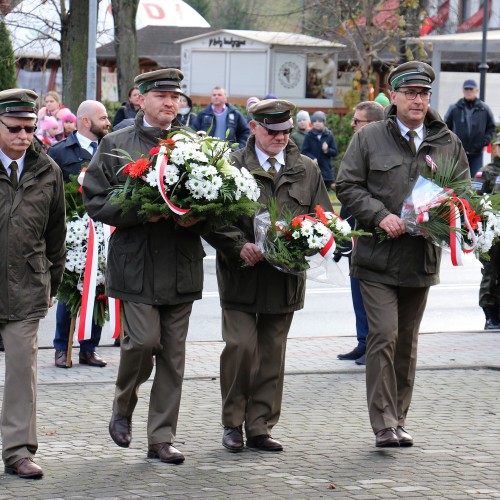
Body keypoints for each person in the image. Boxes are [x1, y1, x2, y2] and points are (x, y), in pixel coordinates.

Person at [336, 61, 469, 448]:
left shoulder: (447, 141)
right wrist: (381, 216)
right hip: (377, 257)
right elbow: (347, 185)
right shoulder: (370, 137)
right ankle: (383, 424)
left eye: (424, 93)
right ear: (393, 96)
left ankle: (399, 418)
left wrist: (444, 215)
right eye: (410, 93)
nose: (417, 100)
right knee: (383, 335)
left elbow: (461, 192)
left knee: (407, 342)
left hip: (420, 257)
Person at [82, 68, 205, 465]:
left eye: (175, 97)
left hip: (181, 263)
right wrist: (141, 211)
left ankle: (161, 438)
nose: (170, 103)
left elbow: (214, 198)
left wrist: (195, 215)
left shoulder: (193, 144)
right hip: (135, 263)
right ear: (140, 98)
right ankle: (123, 405)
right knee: (142, 344)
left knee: (173, 355)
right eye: (162, 96)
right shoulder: (117, 143)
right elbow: (95, 201)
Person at [204, 99, 333, 453]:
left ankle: (260, 425)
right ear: (254, 127)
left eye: (286, 131)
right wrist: (238, 245)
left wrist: (305, 241)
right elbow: (211, 216)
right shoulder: (230, 165)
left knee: (272, 353)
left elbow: (322, 216)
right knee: (241, 349)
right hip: (241, 274)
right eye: (272, 131)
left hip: (284, 278)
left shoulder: (306, 168)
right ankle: (233, 423)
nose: (280, 137)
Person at [0, 88, 66, 479]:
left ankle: (18, 451)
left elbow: (55, 234)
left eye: (30, 128)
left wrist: (51, 282)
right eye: (14, 128)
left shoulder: (47, 171)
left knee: (22, 371)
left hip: (26, 285)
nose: (24, 136)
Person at [49, 100, 111, 368]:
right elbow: (51, 194)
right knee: (70, 289)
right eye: (103, 118)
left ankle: (89, 347)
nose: (108, 122)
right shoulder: (60, 152)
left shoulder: (110, 151)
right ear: (86, 122)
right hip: (72, 235)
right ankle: (62, 347)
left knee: (99, 288)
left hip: (104, 232)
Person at [337, 101, 385, 366]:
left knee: (371, 294)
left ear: (372, 124)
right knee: (356, 289)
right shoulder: (358, 146)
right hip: (354, 231)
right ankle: (363, 341)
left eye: (358, 121)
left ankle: (373, 346)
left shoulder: (378, 151)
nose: (352, 124)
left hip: (370, 232)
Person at [473, 133, 500, 330]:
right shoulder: (487, 173)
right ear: (495, 149)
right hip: (492, 234)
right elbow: (474, 200)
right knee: (491, 274)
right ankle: (490, 316)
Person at [444, 79, 496, 177]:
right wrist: (451, 143)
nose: (468, 91)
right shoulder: (454, 108)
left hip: (477, 154)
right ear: (463, 91)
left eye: (471, 89)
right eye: (466, 89)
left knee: (475, 182)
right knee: (458, 181)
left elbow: (491, 128)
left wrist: (484, 141)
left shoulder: (484, 109)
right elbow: (445, 127)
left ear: (476, 91)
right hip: (458, 154)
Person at [301, 110, 338, 191]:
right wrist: (312, 158)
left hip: (326, 169)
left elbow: (335, 152)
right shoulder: (309, 135)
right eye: (315, 121)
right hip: (313, 168)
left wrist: (327, 150)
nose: (317, 123)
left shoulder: (329, 135)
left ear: (324, 122)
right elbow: (304, 152)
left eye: (320, 121)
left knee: (326, 192)